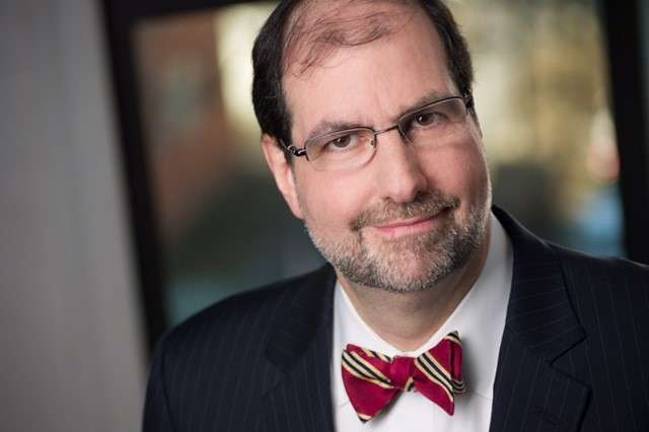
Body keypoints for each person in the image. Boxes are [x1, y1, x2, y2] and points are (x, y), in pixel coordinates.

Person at [142, 1, 649, 431]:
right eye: (342, 140)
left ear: (472, 118)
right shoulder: (193, 382)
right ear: (284, 173)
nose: (403, 184)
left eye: (426, 119)